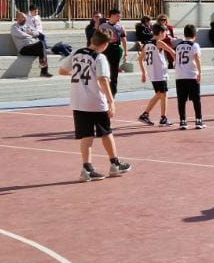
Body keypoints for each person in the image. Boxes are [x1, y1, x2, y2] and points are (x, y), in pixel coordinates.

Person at [67, 31, 131, 181]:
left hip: (78, 101)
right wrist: (111, 101)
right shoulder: (99, 57)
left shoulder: (76, 53)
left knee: (86, 135)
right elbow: (103, 80)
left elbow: (62, 70)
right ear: (105, 44)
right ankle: (114, 163)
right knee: (106, 132)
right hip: (95, 101)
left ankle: (87, 168)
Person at [137, 24, 177, 127]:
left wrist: (144, 72)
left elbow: (140, 59)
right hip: (159, 73)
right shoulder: (159, 43)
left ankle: (159, 116)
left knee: (162, 94)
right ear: (160, 33)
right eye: (165, 33)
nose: (166, 34)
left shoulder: (147, 44)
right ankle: (149, 115)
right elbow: (172, 52)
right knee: (161, 94)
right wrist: (177, 63)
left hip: (153, 73)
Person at [174, 24, 205, 130]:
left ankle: (183, 121)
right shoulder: (194, 45)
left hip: (180, 76)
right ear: (194, 35)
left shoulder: (178, 46)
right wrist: (200, 72)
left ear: (184, 34)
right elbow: (197, 58)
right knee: (196, 99)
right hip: (191, 75)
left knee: (181, 100)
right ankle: (198, 121)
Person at [11, 12, 54, 78]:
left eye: (25, 17)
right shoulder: (14, 27)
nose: (25, 18)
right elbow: (21, 35)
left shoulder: (27, 26)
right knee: (41, 45)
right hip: (24, 49)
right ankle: (44, 70)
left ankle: (44, 71)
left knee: (41, 48)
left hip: (33, 46)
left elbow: (37, 32)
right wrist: (31, 36)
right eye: (22, 17)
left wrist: (31, 33)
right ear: (18, 18)